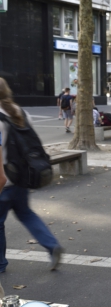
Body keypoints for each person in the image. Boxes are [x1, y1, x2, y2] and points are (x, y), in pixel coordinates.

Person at [0, 78, 63, 272]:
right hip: (21, 177)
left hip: (3, 180)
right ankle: (52, 245)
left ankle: (0, 264)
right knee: (26, 213)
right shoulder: (21, 112)